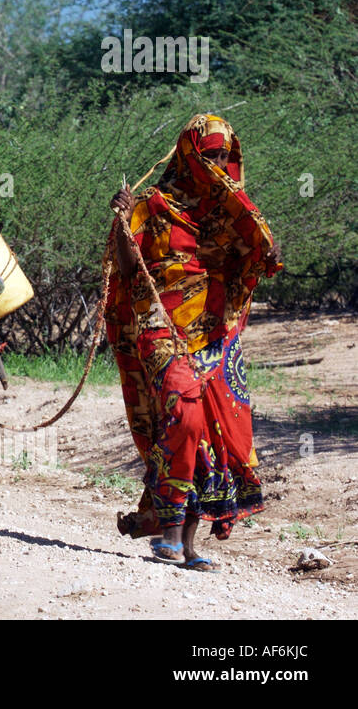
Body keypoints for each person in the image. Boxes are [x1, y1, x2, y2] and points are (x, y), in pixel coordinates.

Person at [106, 113, 282, 571]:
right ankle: (166, 529)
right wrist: (123, 223)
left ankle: (184, 541)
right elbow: (127, 270)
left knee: (211, 432)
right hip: (159, 325)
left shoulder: (233, 212)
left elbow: (248, 265)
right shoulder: (153, 204)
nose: (218, 164)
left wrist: (265, 254)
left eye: (225, 156)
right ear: (188, 155)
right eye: (209, 155)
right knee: (183, 414)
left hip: (214, 331)